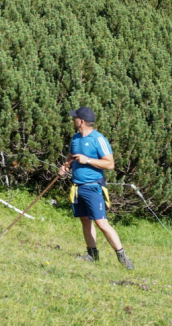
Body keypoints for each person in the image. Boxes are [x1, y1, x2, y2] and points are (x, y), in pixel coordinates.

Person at [57, 107, 133, 270]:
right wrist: (65, 167)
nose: (73, 120)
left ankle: (123, 257)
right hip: (77, 186)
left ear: (82, 121)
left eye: (75, 118)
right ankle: (92, 254)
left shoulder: (99, 139)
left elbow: (110, 164)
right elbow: (71, 156)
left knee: (101, 222)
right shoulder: (76, 138)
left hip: (93, 187)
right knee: (85, 220)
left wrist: (88, 160)